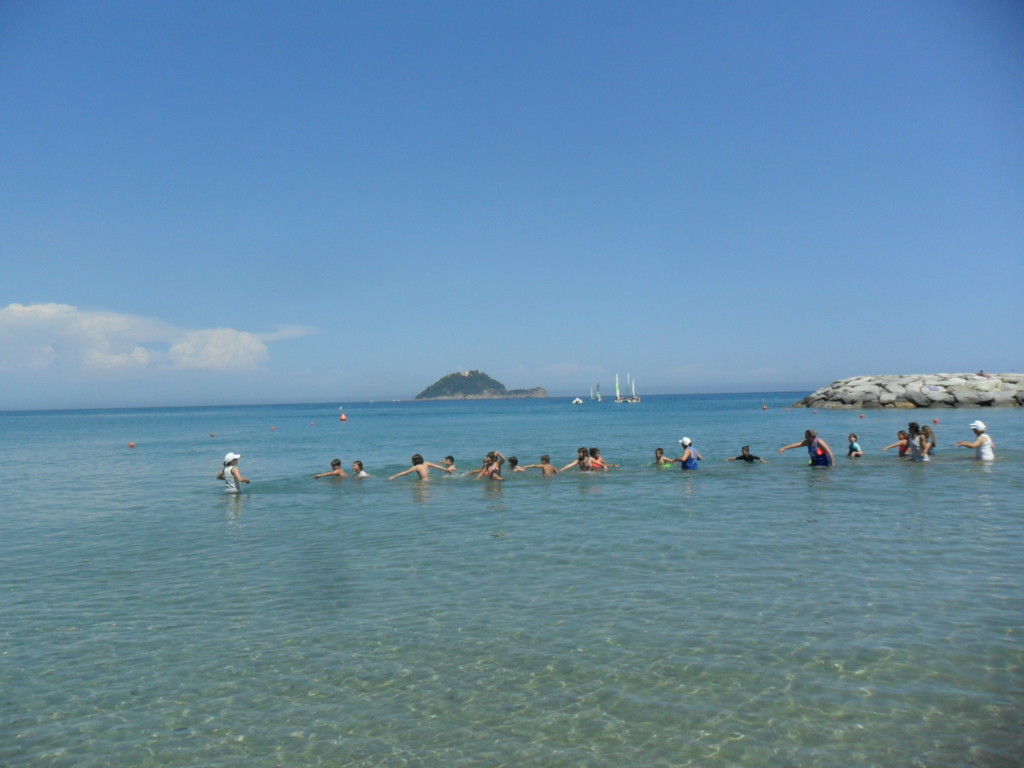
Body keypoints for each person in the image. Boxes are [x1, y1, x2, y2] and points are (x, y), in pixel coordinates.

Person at [388, 453, 453, 481]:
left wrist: (394, 476)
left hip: (423, 483)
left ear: (414, 461)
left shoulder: (416, 467)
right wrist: (446, 470)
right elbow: (437, 466)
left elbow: (405, 473)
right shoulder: (426, 463)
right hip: (429, 480)